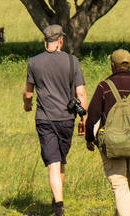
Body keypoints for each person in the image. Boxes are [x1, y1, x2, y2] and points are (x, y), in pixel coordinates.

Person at [23, 24, 87, 216]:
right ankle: (57, 200)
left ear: (45, 41)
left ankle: (58, 206)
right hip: (67, 118)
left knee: (53, 162)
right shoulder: (72, 61)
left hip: (45, 119)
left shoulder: (34, 62)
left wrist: (27, 105)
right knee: (60, 161)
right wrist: (83, 118)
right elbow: (81, 92)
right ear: (61, 41)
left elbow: (28, 93)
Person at [84, 49, 130, 216]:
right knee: (129, 185)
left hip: (110, 145)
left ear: (112, 65)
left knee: (119, 185)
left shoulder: (104, 86)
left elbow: (92, 118)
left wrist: (90, 139)